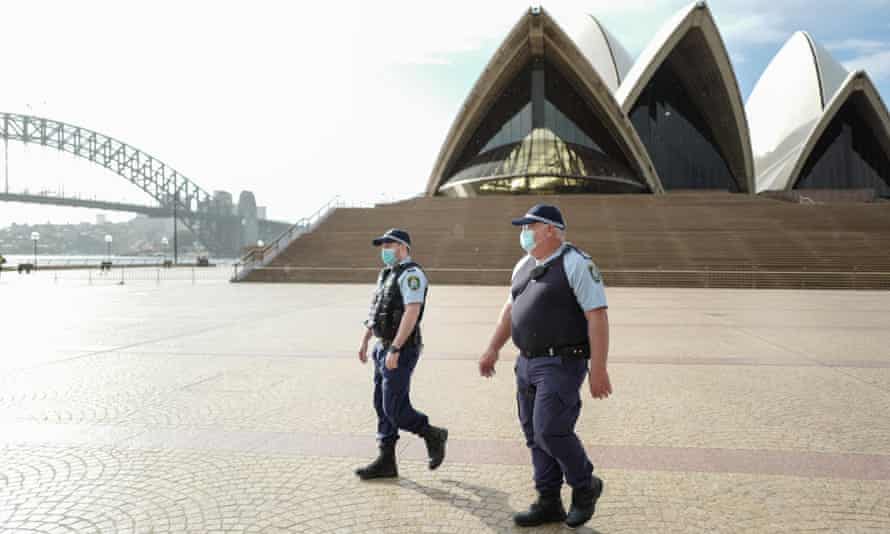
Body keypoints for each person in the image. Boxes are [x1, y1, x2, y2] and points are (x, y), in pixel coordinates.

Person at [478, 204, 612, 528]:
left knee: (550, 428)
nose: (523, 233)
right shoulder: (523, 265)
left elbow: (597, 316)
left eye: (530, 226)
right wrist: (492, 348)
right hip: (526, 362)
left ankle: (585, 486)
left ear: (551, 230)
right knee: (533, 435)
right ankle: (548, 500)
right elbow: (509, 312)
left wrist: (599, 368)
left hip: (562, 361)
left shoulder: (576, 264)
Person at [355, 228, 448, 480]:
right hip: (381, 347)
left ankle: (432, 433)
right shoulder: (386, 274)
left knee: (395, 408)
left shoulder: (411, 275)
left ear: (404, 247)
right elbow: (375, 310)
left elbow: (411, 312)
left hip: (401, 349)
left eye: (390, 244)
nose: (385, 249)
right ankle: (386, 460)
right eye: (382, 245)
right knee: (381, 406)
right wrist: (366, 341)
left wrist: (395, 347)